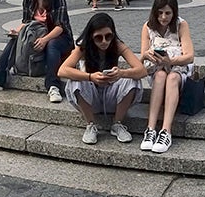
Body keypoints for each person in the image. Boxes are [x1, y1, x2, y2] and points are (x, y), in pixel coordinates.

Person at [59, 12, 147, 145]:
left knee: (132, 79)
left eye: (108, 36)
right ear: (91, 37)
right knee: (75, 80)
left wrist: (121, 73)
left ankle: (117, 124)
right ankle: (90, 125)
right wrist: (90, 77)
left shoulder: (117, 45)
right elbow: (62, 70)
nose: (104, 41)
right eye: (98, 38)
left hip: (111, 95)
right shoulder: (83, 47)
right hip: (91, 96)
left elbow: (141, 70)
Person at [139, 0, 195, 154]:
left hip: (178, 68)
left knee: (170, 77)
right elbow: (142, 56)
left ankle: (166, 131)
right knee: (161, 75)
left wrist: (170, 61)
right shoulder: (147, 27)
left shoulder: (181, 25)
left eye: (168, 13)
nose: (163, 17)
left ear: (174, 12)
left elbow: (190, 56)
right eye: (160, 13)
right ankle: (150, 129)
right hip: (157, 69)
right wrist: (147, 54)